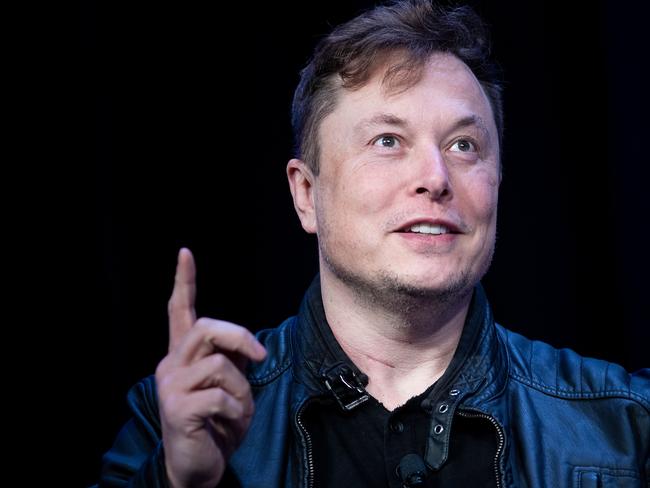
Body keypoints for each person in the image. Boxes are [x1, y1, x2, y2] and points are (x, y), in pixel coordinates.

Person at [95, 1, 650, 486]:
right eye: (388, 140)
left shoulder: (628, 425)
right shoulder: (176, 420)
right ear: (306, 194)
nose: (435, 176)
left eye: (463, 145)